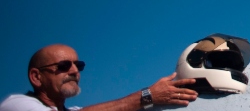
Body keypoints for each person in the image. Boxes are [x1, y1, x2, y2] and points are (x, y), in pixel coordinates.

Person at [0, 44, 198, 111]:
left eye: (78, 65)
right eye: (63, 65)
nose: (74, 71)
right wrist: (148, 96)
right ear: (36, 77)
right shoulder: (15, 105)